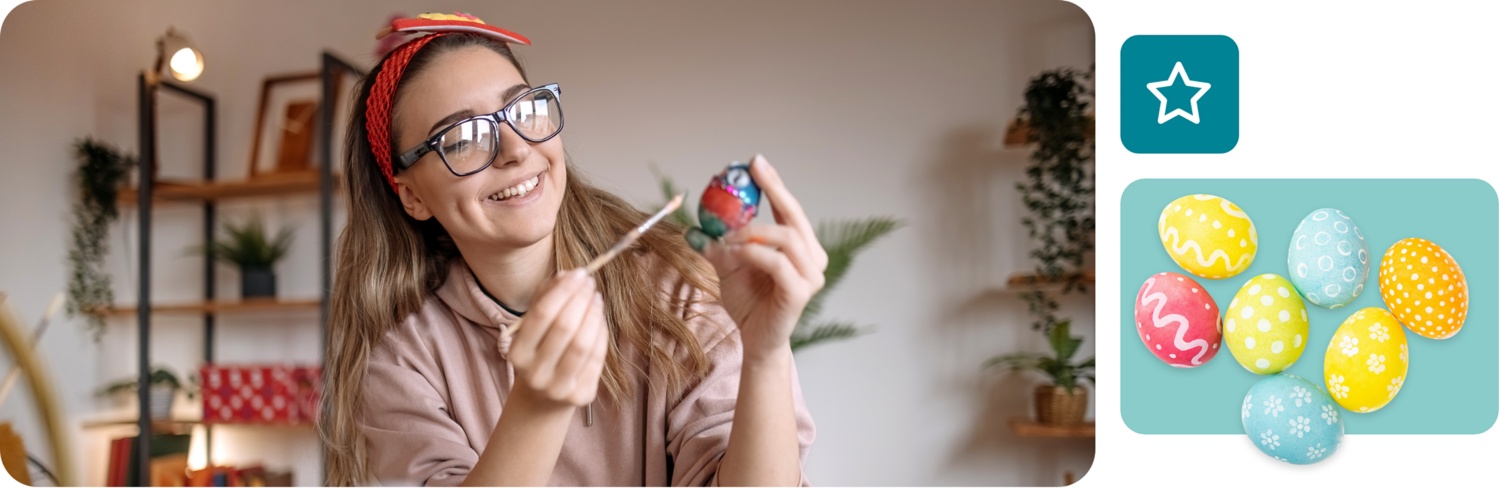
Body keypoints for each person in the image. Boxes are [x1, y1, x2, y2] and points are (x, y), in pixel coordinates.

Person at [319, 12, 821, 486]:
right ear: (411, 195)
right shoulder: (402, 361)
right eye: (463, 137)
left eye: (524, 109)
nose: (517, 149)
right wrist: (536, 409)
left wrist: (766, 355)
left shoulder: (679, 293)